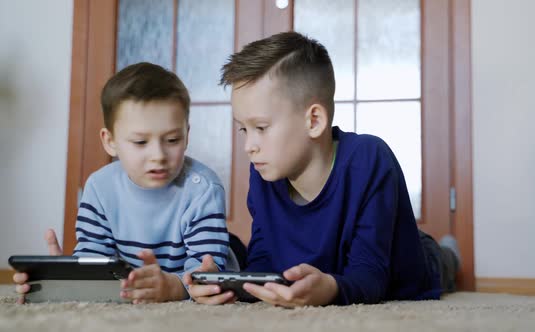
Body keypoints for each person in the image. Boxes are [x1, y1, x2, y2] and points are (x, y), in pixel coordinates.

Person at [185, 31, 460, 307]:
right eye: (244, 129)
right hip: (334, 263)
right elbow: (263, 262)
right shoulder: (264, 170)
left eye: (261, 128)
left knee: (439, 262)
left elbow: (371, 279)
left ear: (314, 120)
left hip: (404, 260)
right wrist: (226, 285)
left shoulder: (370, 160)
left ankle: (449, 252)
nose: (249, 145)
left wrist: (330, 288)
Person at [13, 62, 238, 304]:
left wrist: (174, 287)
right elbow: (95, 254)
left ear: (187, 135)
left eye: (172, 139)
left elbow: (206, 271)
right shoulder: (100, 188)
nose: (158, 155)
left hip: (210, 257)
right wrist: (65, 277)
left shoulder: (203, 189)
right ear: (110, 141)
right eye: (141, 142)